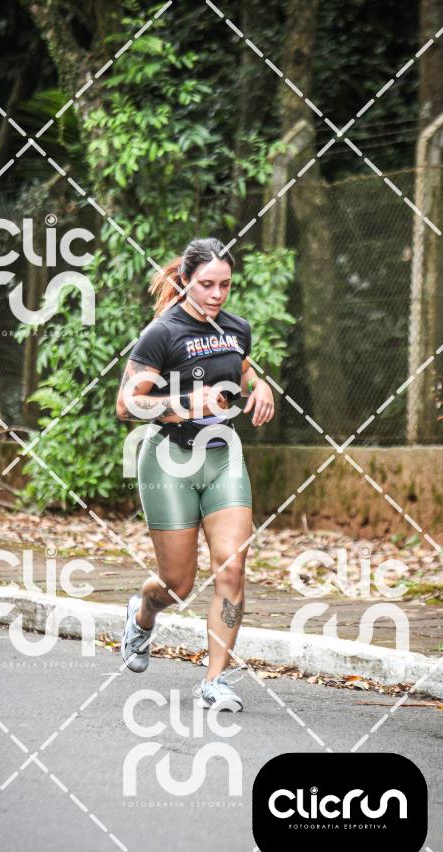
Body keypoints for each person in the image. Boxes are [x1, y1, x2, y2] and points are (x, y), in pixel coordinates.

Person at [115, 237, 275, 711]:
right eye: (206, 284)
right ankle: (143, 614)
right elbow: (126, 405)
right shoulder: (162, 333)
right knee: (176, 586)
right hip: (170, 460)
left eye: (225, 285)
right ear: (185, 280)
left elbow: (240, 369)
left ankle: (215, 680)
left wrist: (260, 385)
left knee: (233, 566)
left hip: (223, 455)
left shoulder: (237, 328)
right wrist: (184, 404)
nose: (217, 294)